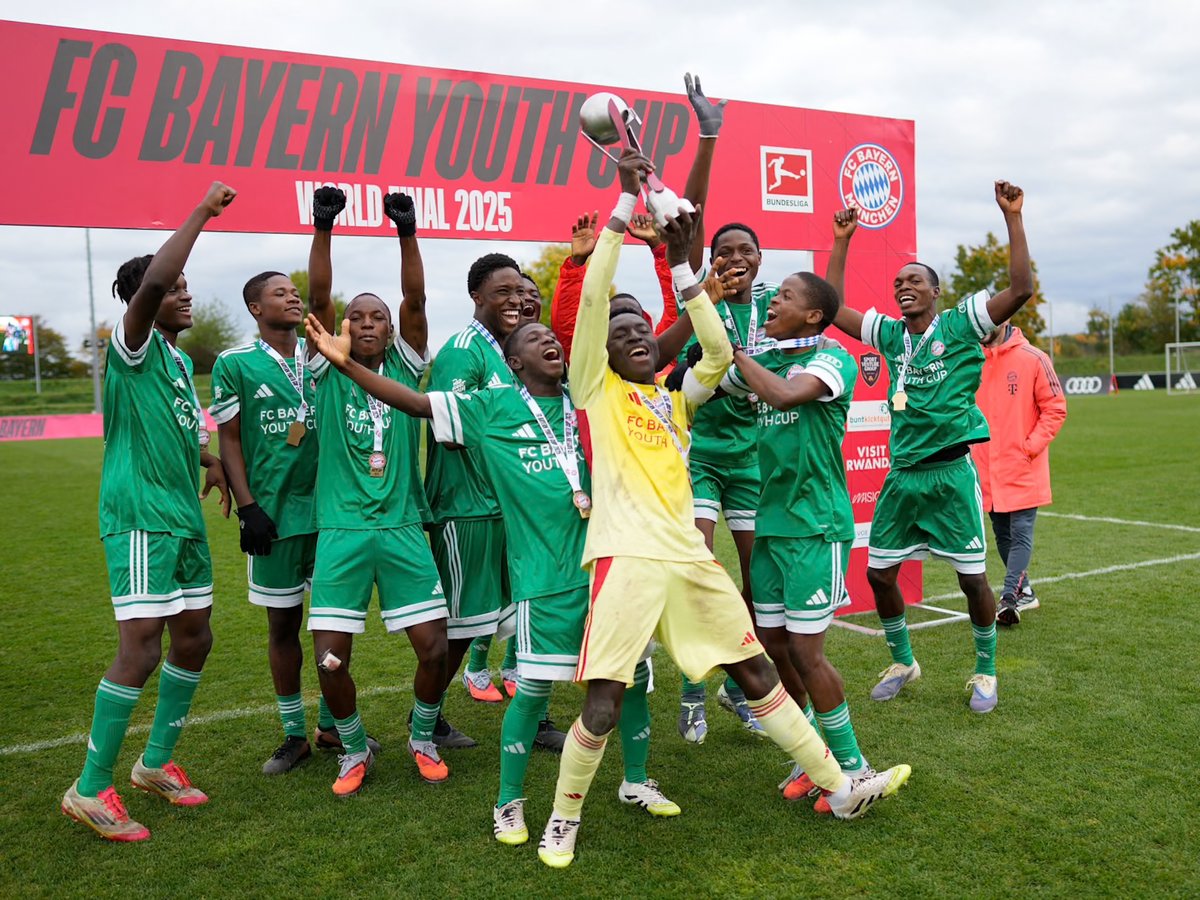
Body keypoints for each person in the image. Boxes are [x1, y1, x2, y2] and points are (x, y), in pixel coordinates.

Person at [536, 150, 911, 869]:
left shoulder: (676, 399)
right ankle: (563, 818)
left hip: (689, 559)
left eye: (644, 329)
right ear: (602, 354)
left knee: (757, 672)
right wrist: (619, 213)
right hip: (627, 561)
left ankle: (839, 786)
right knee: (605, 703)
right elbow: (589, 308)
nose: (637, 335)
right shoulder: (596, 391)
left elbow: (714, 344)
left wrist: (685, 274)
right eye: (622, 334)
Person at [305, 314, 677, 846]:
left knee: (633, 680)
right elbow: (413, 402)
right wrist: (345, 365)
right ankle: (508, 802)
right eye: (533, 339)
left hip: (613, 572)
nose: (548, 339)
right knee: (532, 691)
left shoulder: (592, 397)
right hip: (543, 578)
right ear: (514, 363)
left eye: (552, 336)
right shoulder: (490, 409)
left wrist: (693, 292)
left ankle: (636, 781)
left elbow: (647, 348)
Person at [208, 185, 404, 773]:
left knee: (331, 630)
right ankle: (293, 731)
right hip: (271, 512)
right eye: (278, 294)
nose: (292, 299)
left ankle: (331, 727)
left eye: (294, 293)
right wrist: (247, 506)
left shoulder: (322, 354)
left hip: (329, 512)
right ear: (254, 308)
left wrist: (323, 230)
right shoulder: (234, 364)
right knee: (282, 624)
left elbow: (323, 291)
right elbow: (232, 440)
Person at [61, 182, 235, 842]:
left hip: (181, 516)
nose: (186, 294)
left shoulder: (175, 360)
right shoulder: (130, 342)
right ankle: (89, 787)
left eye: (189, 286)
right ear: (150, 300)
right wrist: (201, 214)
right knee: (141, 645)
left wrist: (211, 462)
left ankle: (154, 764)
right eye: (178, 288)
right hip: (139, 515)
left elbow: (184, 432)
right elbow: (156, 279)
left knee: (196, 634)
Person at [829, 182, 1034, 714]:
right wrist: (841, 241)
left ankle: (986, 672)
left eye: (915, 280)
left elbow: (1020, 289)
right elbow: (830, 311)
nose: (904, 286)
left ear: (936, 291)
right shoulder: (892, 336)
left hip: (949, 475)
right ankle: (903, 660)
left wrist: (1012, 218)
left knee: (971, 580)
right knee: (878, 574)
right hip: (902, 477)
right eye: (898, 282)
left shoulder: (961, 324)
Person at [304, 188, 451, 795]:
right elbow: (316, 296)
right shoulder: (325, 361)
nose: (366, 323)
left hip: (399, 527)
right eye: (357, 316)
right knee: (331, 659)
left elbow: (414, 297)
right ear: (340, 326)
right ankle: (353, 744)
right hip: (341, 530)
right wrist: (323, 227)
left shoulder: (404, 364)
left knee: (434, 648)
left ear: (391, 331)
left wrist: (407, 232)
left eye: (377, 318)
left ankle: (420, 736)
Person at [721, 259, 875, 810]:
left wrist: (735, 353)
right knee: (774, 645)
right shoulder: (764, 358)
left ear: (813, 315)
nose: (773, 302)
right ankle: (814, 757)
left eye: (784, 296)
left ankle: (853, 765)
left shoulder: (833, 359)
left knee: (809, 653)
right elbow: (713, 379)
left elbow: (784, 396)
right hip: (771, 525)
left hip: (816, 527)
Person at [425, 251, 565, 749]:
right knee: (462, 628)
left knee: (529, 612)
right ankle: (427, 719)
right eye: (502, 292)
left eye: (520, 291)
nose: (515, 300)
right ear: (477, 297)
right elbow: (449, 427)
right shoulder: (464, 348)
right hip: (467, 507)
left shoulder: (512, 349)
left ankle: (540, 716)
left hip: (510, 508)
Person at [973, 320, 1066, 625]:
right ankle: (1025, 590)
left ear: (1005, 319)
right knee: (1002, 533)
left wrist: (1029, 448)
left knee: (1021, 530)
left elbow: (1055, 408)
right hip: (987, 467)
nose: (983, 326)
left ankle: (1009, 598)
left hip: (1023, 465)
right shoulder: (973, 360)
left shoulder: (1034, 358)